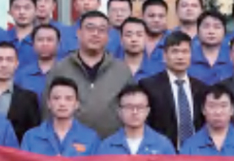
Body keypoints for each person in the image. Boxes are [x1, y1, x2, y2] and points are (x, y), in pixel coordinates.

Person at [43, 10, 133, 138]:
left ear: (108, 37)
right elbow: (47, 111)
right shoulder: (60, 69)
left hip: (111, 144)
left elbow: (131, 109)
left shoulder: (121, 71)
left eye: (101, 30)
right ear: (78, 33)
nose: (95, 34)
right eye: (90, 28)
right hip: (69, 145)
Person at [139, 31, 207, 150]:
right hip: (161, 152)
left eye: (185, 52)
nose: (180, 57)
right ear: (165, 56)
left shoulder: (201, 88)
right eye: (175, 51)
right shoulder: (148, 86)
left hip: (196, 153)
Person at [0, 41, 40, 143]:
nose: (4, 65)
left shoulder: (28, 98)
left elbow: (33, 134)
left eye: (9, 60)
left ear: (16, 64)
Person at [14, 23, 61, 97]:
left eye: (49, 40)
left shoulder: (66, 72)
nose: (45, 44)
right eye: (40, 40)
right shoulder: (21, 75)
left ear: (58, 44)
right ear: (33, 44)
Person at [188, 10, 233, 85]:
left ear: (224, 32)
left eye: (217, 27)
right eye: (206, 27)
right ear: (197, 31)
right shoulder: (188, 56)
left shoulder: (233, 57)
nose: (211, 31)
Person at [117, 17, 162, 83]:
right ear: (121, 40)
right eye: (129, 35)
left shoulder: (160, 70)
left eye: (139, 35)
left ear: (146, 39)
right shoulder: (111, 69)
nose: (134, 39)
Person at [6, 0, 39, 66]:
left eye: (27, 8)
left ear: (36, 11)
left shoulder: (43, 40)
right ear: (10, 12)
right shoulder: (1, 38)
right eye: (17, 8)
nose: (22, 12)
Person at [141, 0, 171, 64]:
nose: (156, 20)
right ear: (142, 17)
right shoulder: (132, 39)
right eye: (151, 16)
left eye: (161, 16)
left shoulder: (175, 41)